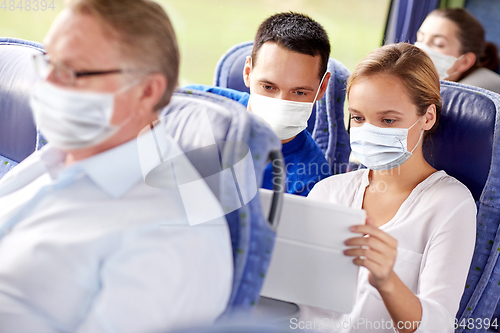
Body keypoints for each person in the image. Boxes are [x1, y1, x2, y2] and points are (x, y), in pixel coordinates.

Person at [0, 0, 233, 332]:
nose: (46, 84)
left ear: (146, 91)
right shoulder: (58, 156)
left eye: (71, 72)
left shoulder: (175, 235)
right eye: (48, 62)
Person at [299, 43, 476, 333]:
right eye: (358, 117)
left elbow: (439, 325)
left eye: (388, 120)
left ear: (427, 117)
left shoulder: (449, 204)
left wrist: (387, 280)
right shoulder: (327, 192)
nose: (369, 131)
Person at [187, 12, 335, 197]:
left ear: (322, 88)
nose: (281, 104)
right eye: (268, 87)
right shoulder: (194, 105)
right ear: (248, 72)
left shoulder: (312, 181)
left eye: (299, 92)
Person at [415, 8, 500, 94]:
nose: (420, 50)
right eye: (420, 39)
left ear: (465, 61)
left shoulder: (473, 97)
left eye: (439, 44)